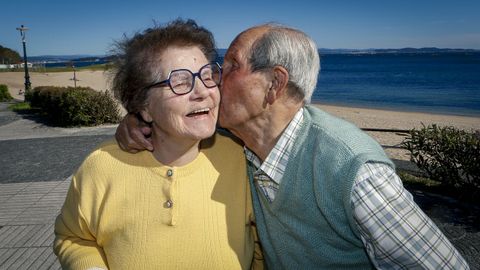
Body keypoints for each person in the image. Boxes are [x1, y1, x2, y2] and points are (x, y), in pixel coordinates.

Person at [116, 24, 469, 269]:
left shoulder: (352, 170)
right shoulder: (229, 139)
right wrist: (138, 121)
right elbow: (174, 123)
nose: (215, 79)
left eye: (232, 65)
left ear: (274, 84)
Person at [54, 19, 262, 270]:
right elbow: (73, 237)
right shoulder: (101, 167)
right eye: (181, 81)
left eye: (207, 76)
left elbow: (261, 246)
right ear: (144, 106)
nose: (202, 91)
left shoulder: (243, 160)